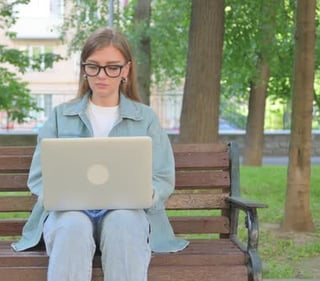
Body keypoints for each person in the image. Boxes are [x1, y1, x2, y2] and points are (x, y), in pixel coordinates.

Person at [12, 27, 189, 281]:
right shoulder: (60, 117)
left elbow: (162, 176)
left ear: (126, 70)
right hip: (70, 214)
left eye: (112, 67)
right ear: (84, 68)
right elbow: (39, 178)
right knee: (72, 226)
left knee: (124, 225)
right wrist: (56, 194)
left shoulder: (145, 118)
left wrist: (148, 193)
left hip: (127, 213)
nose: (102, 75)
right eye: (93, 66)